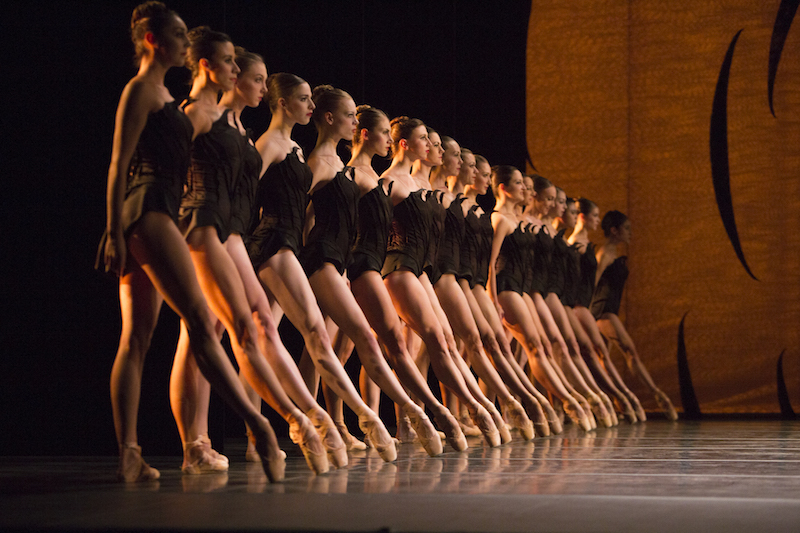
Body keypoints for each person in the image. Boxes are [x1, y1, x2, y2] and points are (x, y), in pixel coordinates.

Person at [100, 2, 283, 482]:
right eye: (179, 35)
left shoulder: (164, 93)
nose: (185, 42)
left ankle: (130, 454)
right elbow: (119, 163)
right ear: (154, 40)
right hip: (147, 207)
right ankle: (255, 422)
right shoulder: (140, 90)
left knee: (138, 337)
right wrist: (113, 231)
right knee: (201, 320)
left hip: (160, 209)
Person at [169, 41, 333, 475]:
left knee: (256, 324)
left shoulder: (238, 129)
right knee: (204, 331)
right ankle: (199, 441)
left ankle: (299, 419)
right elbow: (171, 171)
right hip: (203, 224)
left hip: (234, 233)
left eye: (263, 80)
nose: (261, 86)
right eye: (256, 79)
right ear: (232, 76)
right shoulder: (200, 116)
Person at [249, 73, 397, 462]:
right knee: (269, 338)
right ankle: (317, 425)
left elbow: (306, 209)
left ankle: (320, 425)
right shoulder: (301, 154)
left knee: (272, 338)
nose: (309, 105)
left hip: (301, 253)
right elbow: (274, 200)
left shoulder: (300, 151)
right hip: (283, 248)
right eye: (303, 98)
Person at [297, 86, 443, 457]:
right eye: (380, 133)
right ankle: (326, 422)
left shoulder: (363, 175)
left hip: (348, 263)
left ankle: (337, 423)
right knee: (326, 343)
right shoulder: (330, 167)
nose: (387, 142)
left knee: (335, 344)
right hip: (330, 259)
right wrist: (300, 257)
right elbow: (305, 212)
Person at [381, 117, 501, 447]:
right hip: (398, 266)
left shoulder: (423, 187)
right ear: (405, 144)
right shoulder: (389, 182)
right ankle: (455, 413)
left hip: (422, 271)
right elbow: (372, 230)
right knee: (417, 342)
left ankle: (461, 411)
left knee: (442, 340)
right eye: (426, 141)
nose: (433, 147)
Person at [427, 138, 534, 441]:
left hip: (464, 280)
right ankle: (455, 413)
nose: (475, 173)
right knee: (421, 350)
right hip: (439, 277)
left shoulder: (471, 208)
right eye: (475, 168)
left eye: (478, 169)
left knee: (468, 344)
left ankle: (467, 412)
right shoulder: (445, 199)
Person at [488, 166, 592, 432]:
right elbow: (490, 264)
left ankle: (519, 407)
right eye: (521, 185)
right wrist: (492, 301)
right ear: (504, 188)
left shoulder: (517, 220)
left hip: (523, 289)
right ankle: (552, 403)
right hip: (508, 288)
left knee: (520, 352)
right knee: (521, 349)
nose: (526, 190)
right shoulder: (500, 219)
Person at [591, 211, 679, 420]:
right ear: (615, 230)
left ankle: (614, 404)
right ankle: (658, 396)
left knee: (603, 360)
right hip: (601, 311)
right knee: (629, 350)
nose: (630, 233)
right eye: (627, 229)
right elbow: (592, 284)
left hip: (609, 309)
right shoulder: (604, 255)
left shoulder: (614, 255)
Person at [566, 198, 645, 422]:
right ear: (582, 217)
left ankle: (617, 400)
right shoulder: (575, 243)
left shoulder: (586, 242)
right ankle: (609, 400)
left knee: (594, 353)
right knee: (584, 353)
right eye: (595, 216)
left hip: (582, 305)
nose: (598, 221)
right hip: (580, 306)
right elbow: (585, 283)